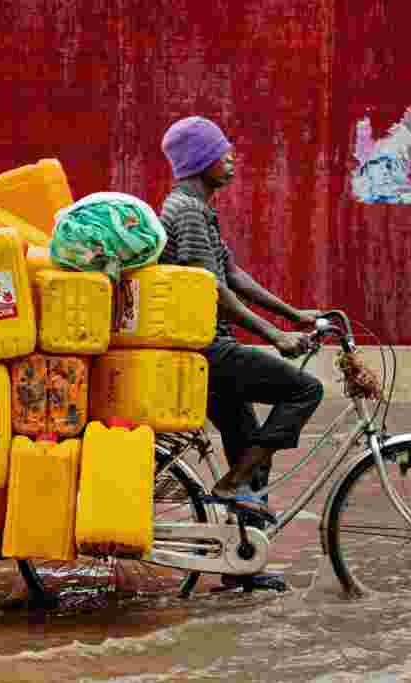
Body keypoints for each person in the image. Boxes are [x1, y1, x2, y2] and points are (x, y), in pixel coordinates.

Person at [157, 116, 325, 521]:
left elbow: (233, 274)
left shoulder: (197, 210)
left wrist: (293, 316)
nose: (231, 159)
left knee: (252, 451)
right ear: (200, 160)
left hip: (208, 347)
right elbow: (214, 289)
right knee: (305, 390)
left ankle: (244, 546)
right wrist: (276, 336)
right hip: (207, 349)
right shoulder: (188, 212)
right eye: (222, 153)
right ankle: (233, 483)